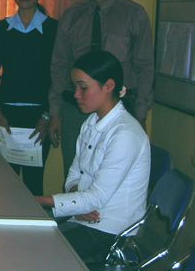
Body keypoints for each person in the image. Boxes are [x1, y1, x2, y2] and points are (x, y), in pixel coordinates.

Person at [48, 0, 154, 176]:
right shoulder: (71, 16)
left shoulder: (134, 14)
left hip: (121, 106)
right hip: (77, 108)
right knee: (76, 173)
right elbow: (59, 65)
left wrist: (141, 114)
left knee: (115, 173)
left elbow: (145, 66)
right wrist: (55, 112)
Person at [37, 50, 150, 262]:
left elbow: (97, 197)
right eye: (75, 87)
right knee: (29, 233)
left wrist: (38, 201)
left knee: (38, 253)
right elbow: (73, 175)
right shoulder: (90, 122)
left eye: (83, 87)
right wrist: (78, 204)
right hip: (86, 216)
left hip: (110, 228)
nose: (76, 94)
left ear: (108, 86)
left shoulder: (125, 134)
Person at [0, 0, 57, 195]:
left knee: (34, 184)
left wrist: (47, 115)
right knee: (5, 183)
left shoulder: (53, 29)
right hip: (6, 115)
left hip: (39, 116)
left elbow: (57, 76)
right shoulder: (1, 28)